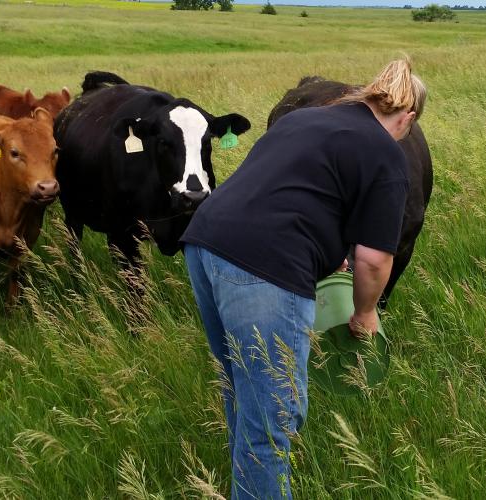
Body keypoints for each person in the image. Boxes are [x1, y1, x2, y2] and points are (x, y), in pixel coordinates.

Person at [181, 57, 426, 499]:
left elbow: (289, 191)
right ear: (407, 118)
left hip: (204, 242)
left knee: (242, 390)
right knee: (274, 417)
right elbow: (373, 261)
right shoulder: (386, 153)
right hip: (265, 265)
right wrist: (366, 313)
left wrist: (327, 253)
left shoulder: (305, 120)